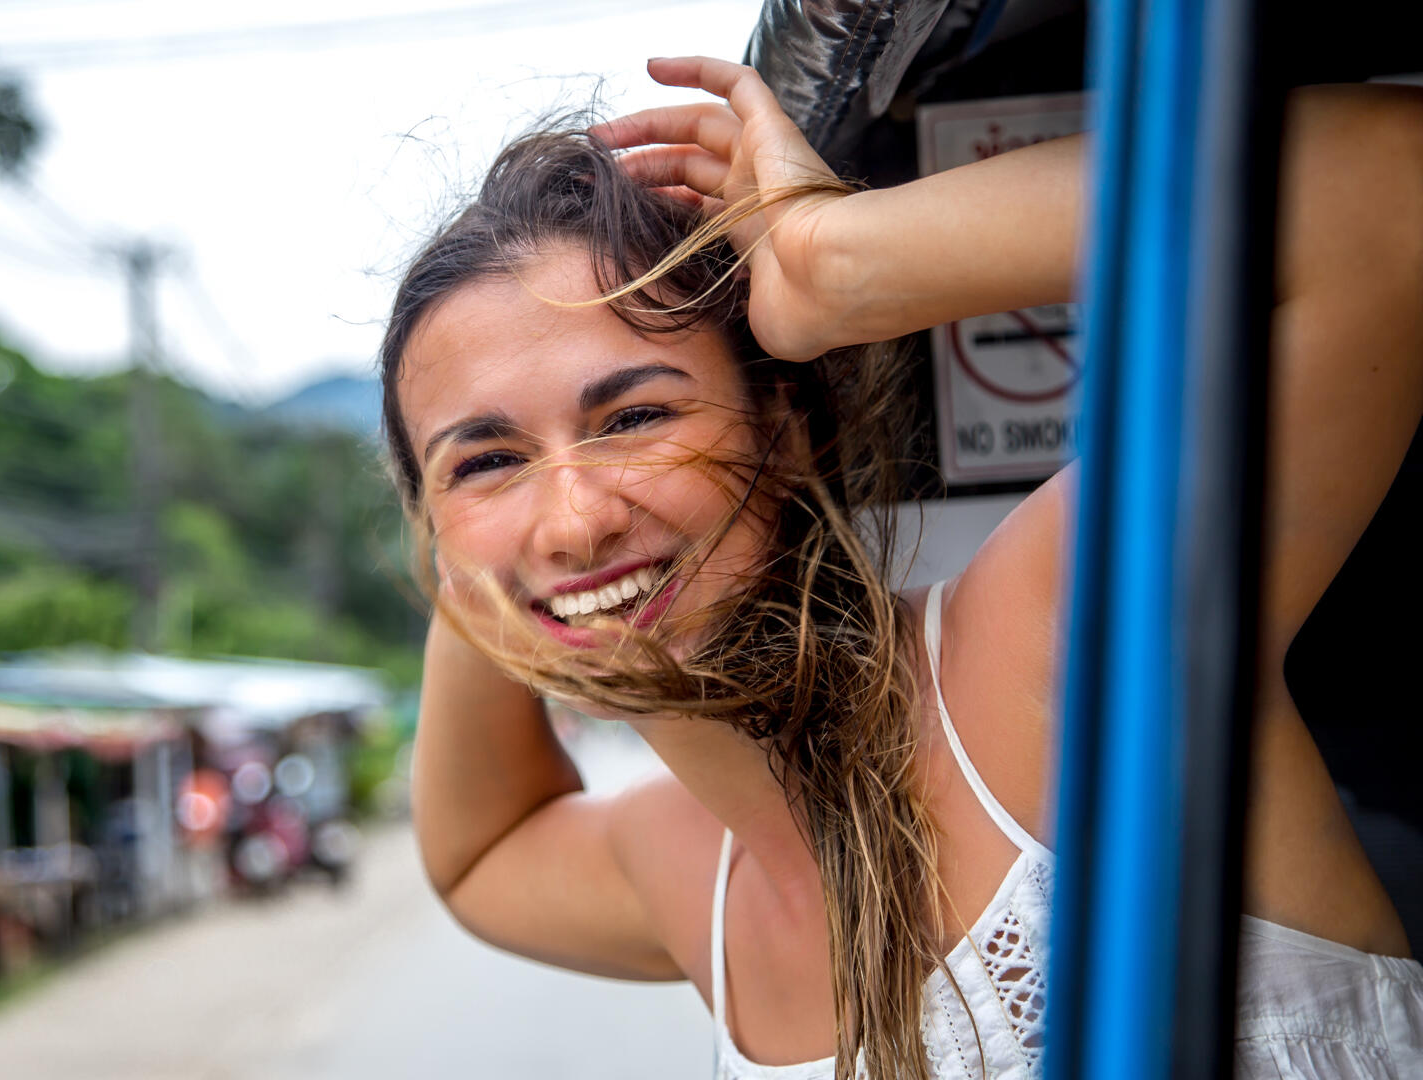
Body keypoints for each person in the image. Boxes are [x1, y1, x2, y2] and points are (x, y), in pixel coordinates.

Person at [385, 56, 1423, 1079]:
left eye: (637, 416)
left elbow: (1391, 191)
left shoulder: (1054, 643)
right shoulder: (694, 871)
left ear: (783, 432)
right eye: (489, 459)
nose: (574, 521)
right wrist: (487, 548)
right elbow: (477, 849)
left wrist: (833, 261)